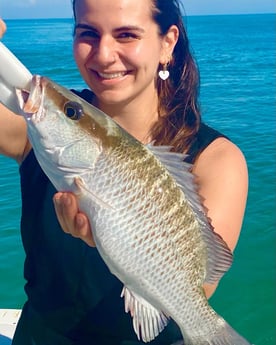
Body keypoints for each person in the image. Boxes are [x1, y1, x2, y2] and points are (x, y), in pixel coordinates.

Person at [0, 0, 248, 344]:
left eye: (127, 35)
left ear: (168, 42)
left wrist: (117, 241)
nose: (103, 55)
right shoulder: (40, 125)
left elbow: (201, 285)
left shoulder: (216, 158)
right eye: (87, 33)